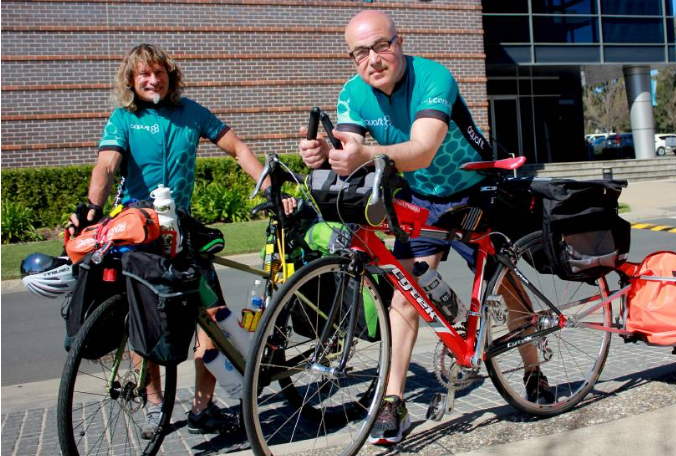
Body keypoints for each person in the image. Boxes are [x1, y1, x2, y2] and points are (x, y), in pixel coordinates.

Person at [298, 11, 553, 446]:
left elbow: (422, 149)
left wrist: (362, 155)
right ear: (351, 58)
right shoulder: (353, 93)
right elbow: (350, 147)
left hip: (475, 188)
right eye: (361, 52)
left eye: (381, 45)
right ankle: (393, 402)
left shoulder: (433, 77)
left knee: (505, 288)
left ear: (400, 42)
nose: (373, 59)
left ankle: (533, 372)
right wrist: (323, 153)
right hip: (421, 199)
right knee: (404, 296)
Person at [67, 43, 292, 438]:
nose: (152, 80)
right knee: (143, 320)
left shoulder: (191, 114)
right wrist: (92, 205)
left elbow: (237, 147)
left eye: (159, 73)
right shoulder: (124, 118)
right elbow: (106, 162)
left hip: (182, 230)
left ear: (170, 76)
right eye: (143, 75)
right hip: (138, 231)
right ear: (131, 81)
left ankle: (203, 409)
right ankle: (154, 404)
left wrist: (271, 188)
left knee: (214, 319)